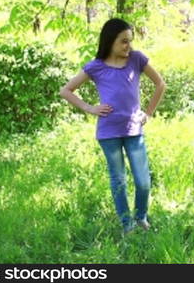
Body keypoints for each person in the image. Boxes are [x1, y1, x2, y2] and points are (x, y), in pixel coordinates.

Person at [60, 18, 166, 235]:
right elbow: (66, 91)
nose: (129, 46)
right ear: (110, 41)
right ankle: (127, 224)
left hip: (134, 131)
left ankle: (141, 217)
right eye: (124, 41)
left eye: (130, 41)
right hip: (108, 133)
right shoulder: (95, 67)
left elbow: (160, 84)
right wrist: (90, 108)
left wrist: (148, 113)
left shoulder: (136, 60)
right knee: (118, 180)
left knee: (143, 181)